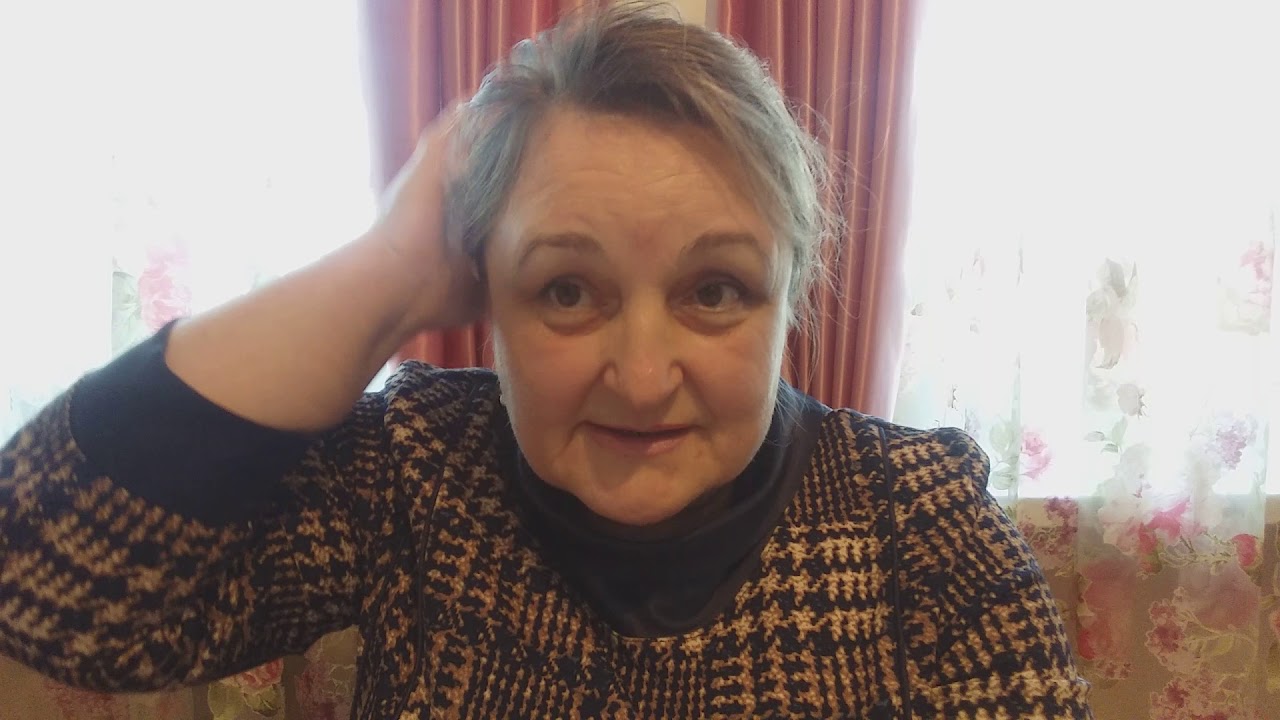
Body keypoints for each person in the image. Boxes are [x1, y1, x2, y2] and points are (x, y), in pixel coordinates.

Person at [0, 2, 1093, 718]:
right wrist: (386, 269)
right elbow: (46, 589)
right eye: (566, 290)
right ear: (486, 295)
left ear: (788, 298)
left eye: (715, 290)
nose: (642, 377)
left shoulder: (916, 519)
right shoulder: (416, 472)